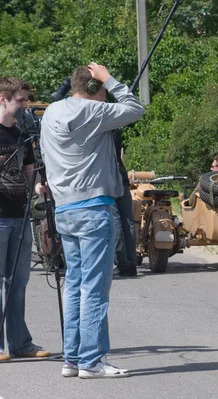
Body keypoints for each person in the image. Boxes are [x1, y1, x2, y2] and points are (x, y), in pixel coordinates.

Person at [39, 62, 144, 378]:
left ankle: (72, 358)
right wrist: (110, 79)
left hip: (64, 210)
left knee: (74, 283)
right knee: (95, 287)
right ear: (95, 88)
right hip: (94, 208)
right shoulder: (94, 112)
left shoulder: (52, 113)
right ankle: (92, 361)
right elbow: (135, 108)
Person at [0, 76, 51, 362]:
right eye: (20, 100)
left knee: (18, 282)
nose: (24, 106)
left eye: (27, 100)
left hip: (20, 215)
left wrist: (38, 186)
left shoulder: (22, 134)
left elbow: (30, 168)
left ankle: (19, 343)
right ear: (3, 99)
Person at [112, 129, 137, 277]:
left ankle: (121, 263)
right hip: (122, 177)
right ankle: (131, 263)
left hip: (109, 178)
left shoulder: (98, 127)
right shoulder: (115, 128)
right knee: (127, 221)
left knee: (115, 220)